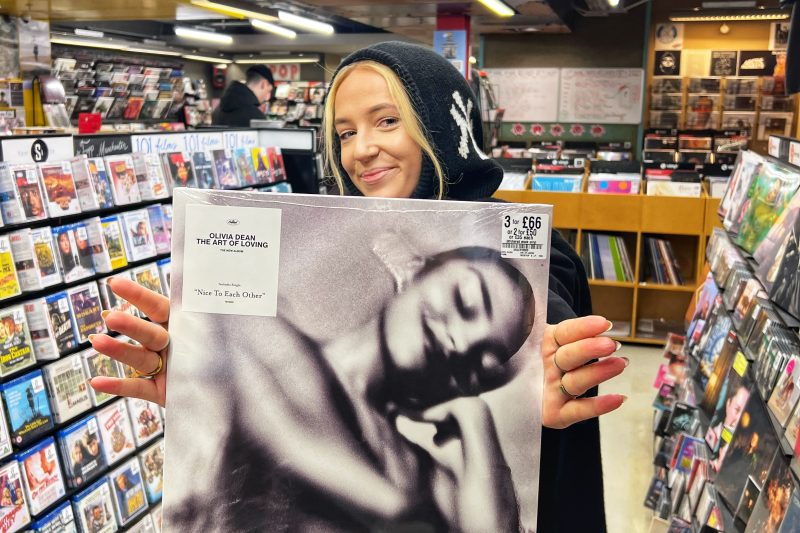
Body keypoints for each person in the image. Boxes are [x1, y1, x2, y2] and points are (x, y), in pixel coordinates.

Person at [90, 42, 627, 532]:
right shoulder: (262, 340)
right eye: (346, 133)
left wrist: (540, 380)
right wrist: (197, 386)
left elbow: (552, 308)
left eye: (388, 121)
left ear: (445, 130)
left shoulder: (427, 464)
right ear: (409, 268)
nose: (361, 150)